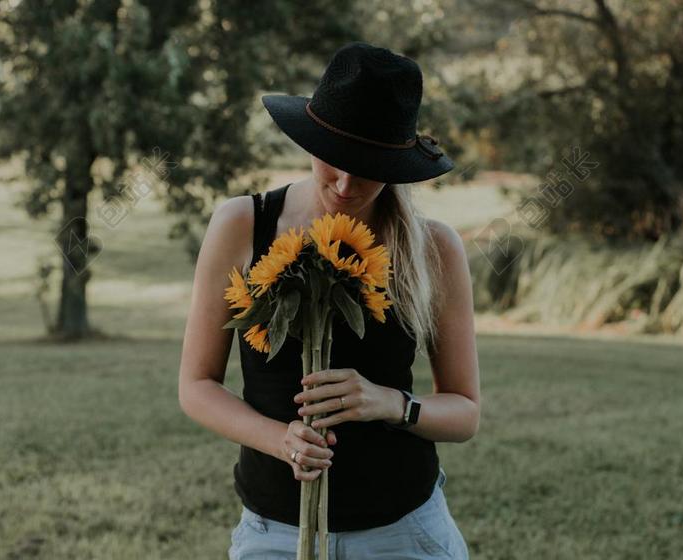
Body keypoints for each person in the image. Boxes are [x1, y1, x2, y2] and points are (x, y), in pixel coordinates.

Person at [178, 41, 480, 559]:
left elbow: (465, 412)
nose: (343, 184)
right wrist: (281, 441)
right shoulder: (243, 224)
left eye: (366, 167)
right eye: (333, 160)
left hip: (403, 535)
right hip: (273, 536)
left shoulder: (433, 248)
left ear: (399, 164)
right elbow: (196, 386)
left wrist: (391, 404)